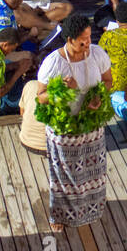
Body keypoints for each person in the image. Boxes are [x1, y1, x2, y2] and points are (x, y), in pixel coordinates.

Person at [37, 14, 114, 232]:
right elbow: (40, 96)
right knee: (63, 174)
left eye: (89, 37)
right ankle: (59, 215)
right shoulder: (54, 62)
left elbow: (108, 81)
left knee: (92, 172)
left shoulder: (97, 54)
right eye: (82, 39)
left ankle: (92, 208)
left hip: (91, 127)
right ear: (69, 39)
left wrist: (98, 98)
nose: (87, 43)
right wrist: (59, 89)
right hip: (64, 130)